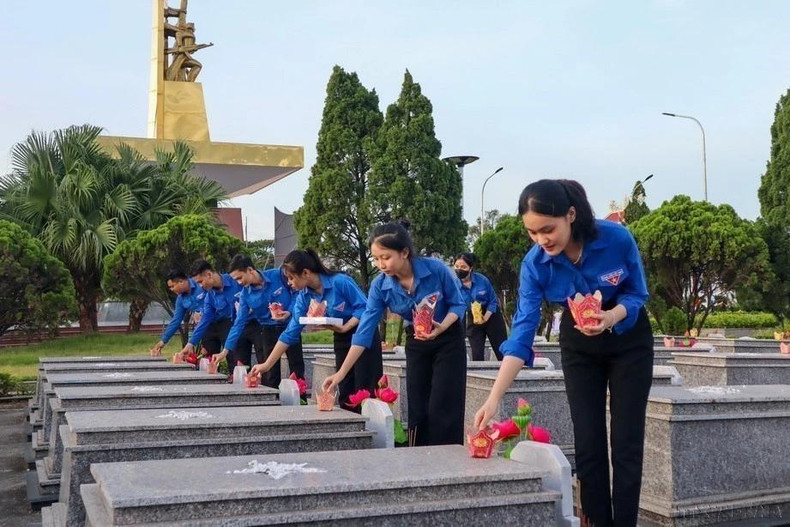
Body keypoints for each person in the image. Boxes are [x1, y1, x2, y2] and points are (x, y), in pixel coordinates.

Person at [473, 179, 653, 527]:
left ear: (571, 215)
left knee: (627, 440)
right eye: (532, 232)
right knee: (587, 440)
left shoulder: (616, 239)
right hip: (579, 342)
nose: (542, 240)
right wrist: (494, 399)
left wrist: (610, 317)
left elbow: (637, 293)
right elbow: (522, 332)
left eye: (548, 229)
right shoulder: (535, 264)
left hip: (627, 336)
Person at [323, 221, 467, 446]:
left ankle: (447, 455)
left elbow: (458, 304)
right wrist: (341, 373)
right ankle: (420, 455)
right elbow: (364, 331)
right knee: (417, 405)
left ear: (404, 253)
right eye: (376, 258)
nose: (381, 264)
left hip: (448, 337)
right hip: (417, 340)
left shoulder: (436, 269)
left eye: (386, 257)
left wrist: (441, 327)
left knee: (443, 404)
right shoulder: (380, 286)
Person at [250, 249, 383, 408]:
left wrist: (347, 326)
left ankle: (371, 423)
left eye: (291, 278)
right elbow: (290, 333)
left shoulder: (340, 282)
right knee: (345, 389)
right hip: (341, 336)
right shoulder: (304, 296)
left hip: (364, 333)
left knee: (365, 389)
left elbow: (365, 308)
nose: (289, 283)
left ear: (305, 273)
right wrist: (266, 364)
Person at [212, 254, 305, 388]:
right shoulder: (245, 295)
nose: (239, 283)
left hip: (290, 326)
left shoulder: (278, 276)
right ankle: (271, 400)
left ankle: (300, 397)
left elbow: (297, 292)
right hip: (267, 331)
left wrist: (290, 311)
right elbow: (239, 323)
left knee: (297, 369)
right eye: (236, 280)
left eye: (240, 278)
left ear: (250, 270)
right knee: (270, 374)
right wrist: (225, 351)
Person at [180, 259, 242, 365]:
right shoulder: (210, 296)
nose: (200, 286)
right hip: (233, 329)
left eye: (200, 282)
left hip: (250, 324)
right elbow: (205, 320)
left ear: (209, 275)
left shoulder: (236, 280)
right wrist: (190, 344)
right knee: (233, 363)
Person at [453, 252, 507, 361]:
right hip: (473, 317)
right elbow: (457, 308)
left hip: (491, 315)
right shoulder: (454, 286)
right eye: (457, 266)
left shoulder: (482, 280)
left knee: (501, 351)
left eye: (463, 267)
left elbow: (493, 301)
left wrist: (485, 318)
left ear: (470, 268)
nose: (459, 269)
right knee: (477, 353)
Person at [150, 269, 205, 356]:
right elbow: (176, 320)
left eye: (172, 286)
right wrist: (162, 341)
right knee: (207, 355)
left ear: (181, 282)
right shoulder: (180, 299)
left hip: (221, 321)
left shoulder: (201, 284)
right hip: (203, 328)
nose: (171, 289)